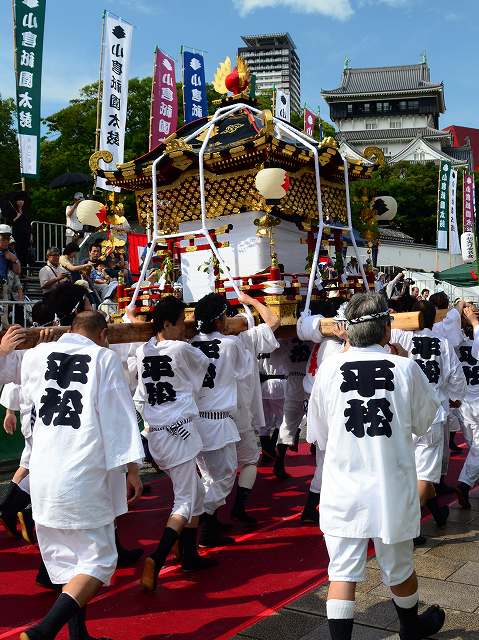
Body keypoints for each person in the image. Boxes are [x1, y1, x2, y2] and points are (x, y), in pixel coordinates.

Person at [307, 292, 445, 640]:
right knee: (399, 567)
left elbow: (319, 434)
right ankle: (410, 627)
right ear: (386, 329)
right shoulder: (404, 368)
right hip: (391, 485)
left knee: (342, 572)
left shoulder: (329, 369)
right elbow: (424, 422)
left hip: (342, 486)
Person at [20, 311, 144, 640]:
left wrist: (16, 347)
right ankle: (43, 630)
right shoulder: (103, 358)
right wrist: (133, 469)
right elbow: (119, 416)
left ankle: (78, 635)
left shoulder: (36, 355)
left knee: (68, 562)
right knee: (99, 561)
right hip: (83, 474)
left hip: (43, 473)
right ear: (103, 334)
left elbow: (19, 391)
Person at [135, 296, 217, 591]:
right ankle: (157, 558)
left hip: (157, 434)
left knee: (196, 492)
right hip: (178, 434)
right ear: (167, 323)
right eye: (181, 322)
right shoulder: (182, 348)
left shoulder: (142, 350)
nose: (185, 328)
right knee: (184, 501)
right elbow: (204, 367)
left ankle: (189, 554)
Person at [390, 300, 466, 533]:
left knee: (409, 468)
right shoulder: (442, 343)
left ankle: (437, 512)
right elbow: (457, 378)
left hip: (402, 411)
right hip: (431, 412)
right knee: (425, 473)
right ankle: (406, 527)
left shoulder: (399, 337)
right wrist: (455, 397)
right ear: (434, 319)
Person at [191, 293, 250, 547]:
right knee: (225, 476)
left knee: (208, 477)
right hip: (217, 420)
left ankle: (207, 527)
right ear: (218, 321)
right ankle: (196, 518)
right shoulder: (230, 343)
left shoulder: (189, 343)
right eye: (225, 316)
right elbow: (244, 370)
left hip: (196, 419)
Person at [231, 292, 280, 524]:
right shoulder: (245, 339)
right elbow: (274, 321)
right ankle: (234, 508)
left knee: (214, 472)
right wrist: (252, 301)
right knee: (249, 460)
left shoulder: (194, 343)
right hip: (239, 414)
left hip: (206, 415)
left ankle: (207, 521)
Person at [455, 305, 479, 509]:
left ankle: (468, 480)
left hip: (464, 403)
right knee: (477, 449)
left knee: (474, 446)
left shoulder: (455, 343)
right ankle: (464, 483)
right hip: (475, 400)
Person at [7, 194, 32, 270]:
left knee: (25, 252)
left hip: (26, 234)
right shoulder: (12, 211)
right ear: (16, 202)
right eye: (19, 200)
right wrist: (17, 216)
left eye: (22, 200)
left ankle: (23, 270)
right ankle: (17, 269)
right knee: (18, 251)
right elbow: (10, 222)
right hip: (17, 234)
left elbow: (28, 224)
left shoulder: (26, 211)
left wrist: (31, 235)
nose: (21, 202)